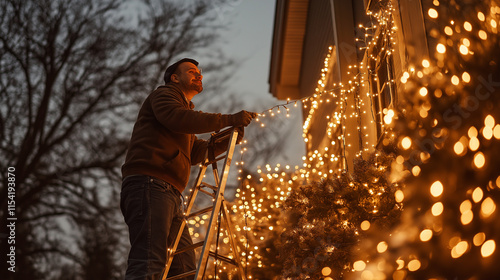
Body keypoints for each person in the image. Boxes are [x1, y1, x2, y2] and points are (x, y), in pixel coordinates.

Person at [120, 58, 256, 280]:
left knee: (183, 269)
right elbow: (177, 118)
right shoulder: (164, 96)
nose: (199, 75)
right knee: (149, 261)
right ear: (175, 77)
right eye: (192, 71)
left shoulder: (182, 114)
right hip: (149, 184)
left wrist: (229, 138)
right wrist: (228, 119)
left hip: (169, 193)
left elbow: (195, 153)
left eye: (200, 72)